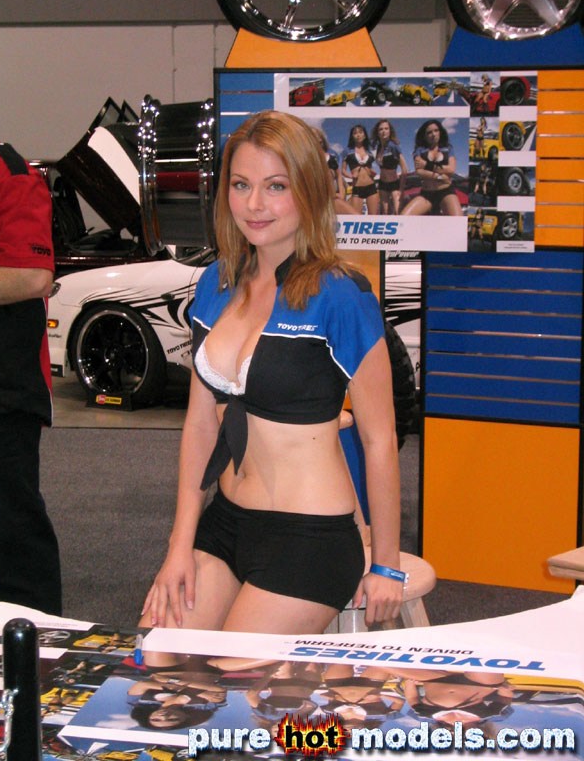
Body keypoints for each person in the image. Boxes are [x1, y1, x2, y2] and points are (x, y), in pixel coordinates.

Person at [140, 110, 402, 634]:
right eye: (241, 185)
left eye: (275, 186)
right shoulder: (216, 283)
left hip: (311, 537)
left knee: (233, 674)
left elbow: (380, 439)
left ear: (308, 191)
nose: (254, 204)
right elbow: (201, 424)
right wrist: (178, 547)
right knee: (156, 660)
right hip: (225, 522)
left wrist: (386, 566)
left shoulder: (341, 295)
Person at [0, 77, 62, 613]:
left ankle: (39, 643)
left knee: (11, 533)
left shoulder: (10, 174)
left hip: (0, 395)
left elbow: (33, 276)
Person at [401, 119, 463, 217]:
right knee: (403, 217)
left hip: (446, 192)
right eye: (429, 132)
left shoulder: (448, 148)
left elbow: (451, 169)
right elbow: (419, 171)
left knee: (458, 220)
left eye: (436, 130)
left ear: (440, 132)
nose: (433, 134)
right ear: (425, 136)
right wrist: (440, 177)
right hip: (427, 194)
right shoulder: (419, 150)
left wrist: (427, 165)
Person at [371, 119, 408, 215]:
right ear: (377, 132)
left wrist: (401, 189)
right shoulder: (378, 147)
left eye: (386, 128)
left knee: (398, 212)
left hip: (394, 184)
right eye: (381, 129)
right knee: (385, 213)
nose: (383, 131)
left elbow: (404, 169)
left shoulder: (394, 146)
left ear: (390, 131)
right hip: (382, 184)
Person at [341, 124, 379, 215]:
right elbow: (343, 170)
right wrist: (351, 176)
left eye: (360, 132)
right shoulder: (347, 151)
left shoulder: (369, 152)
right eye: (355, 133)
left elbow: (371, 169)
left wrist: (373, 173)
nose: (358, 135)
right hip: (357, 188)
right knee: (357, 218)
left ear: (364, 135)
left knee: (373, 217)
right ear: (352, 136)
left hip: (371, 187)